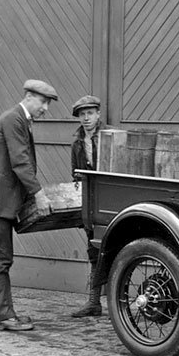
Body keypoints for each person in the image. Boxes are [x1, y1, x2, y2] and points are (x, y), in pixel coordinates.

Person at [0, 80, 56, 331]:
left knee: (0, 258)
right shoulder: (14, 119)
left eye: (47, 103)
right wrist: (39, 194)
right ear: (28, 97)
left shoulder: (20, 119)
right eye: (43, 102)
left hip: (0, 199)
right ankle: (2, 316)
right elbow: (20, 161)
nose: (45, 108)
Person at [68, 95, 107, 317]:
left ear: (98, 114)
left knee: (114, 250)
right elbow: (74, 175)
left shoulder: (111, 136)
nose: (86, 118)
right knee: (94, 250)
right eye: (82, 115)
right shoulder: (77, 144)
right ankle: (94, 303)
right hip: (90, 205)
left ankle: (117, 304)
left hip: (110, 202)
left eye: (90, 113)